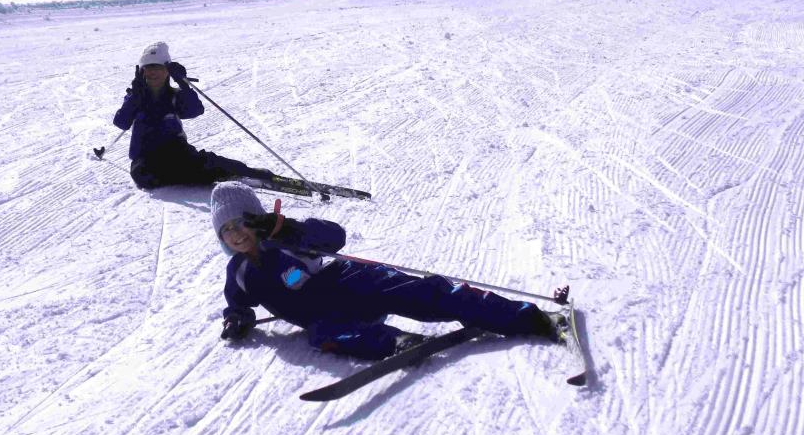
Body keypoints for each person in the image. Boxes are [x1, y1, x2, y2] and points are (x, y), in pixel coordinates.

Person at [210, 182, 564, 359]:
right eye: (226, 229)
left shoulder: (284, 236)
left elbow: (335, 237)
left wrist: (288, 227)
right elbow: (237, 303)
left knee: (421, 292)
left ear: (257, 218)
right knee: (323, 336)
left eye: (241, 222)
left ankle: (531, 317)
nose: (236, 233)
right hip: (323, 316)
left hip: (347, 283)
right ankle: (398, 343)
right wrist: (236, 318)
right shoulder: (239, 272)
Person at [113, 43, 277, 190]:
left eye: (157, 67)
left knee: (203, 164)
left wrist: (184, 84)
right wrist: (135, 97)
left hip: (177, 153)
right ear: (141, 72)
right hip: (146, 158)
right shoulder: (135, 97)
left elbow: (195, 110)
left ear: (167, 70)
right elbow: (121, 122)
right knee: (143, 176)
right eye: (148, 68)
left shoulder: (174, 95)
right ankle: (207, 173)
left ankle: (253, 174)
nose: (152, 72)